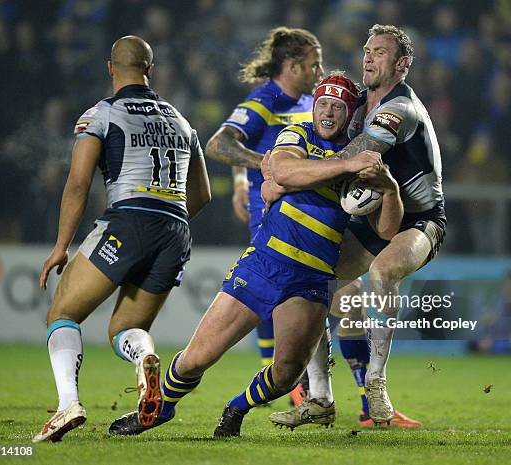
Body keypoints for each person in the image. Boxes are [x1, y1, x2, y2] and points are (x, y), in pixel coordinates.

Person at [108, 74, 390, 438]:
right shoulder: (299, 134)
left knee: (287, 374)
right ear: (314, 104)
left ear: (349, 112)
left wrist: (391, 188)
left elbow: (385, 229)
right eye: (323, 102)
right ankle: (158, 409)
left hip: (314, 277)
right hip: (265, 264)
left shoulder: (361, 156)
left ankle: (236, 408)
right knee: (198, 357)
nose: (328, 111)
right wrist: (341, 168)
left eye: (338, 106)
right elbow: (284, 169)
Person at [32, 35, 211, 443]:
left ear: (110, 68)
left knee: (61, 313)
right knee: (125, 329)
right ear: (151, 69)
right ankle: (146, 358)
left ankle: (68, 405)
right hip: (176, 228)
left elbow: (78, 184)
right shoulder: (182, 121)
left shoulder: (101, 114)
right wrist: (166, 225)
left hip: (128, 220)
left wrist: (61, 245)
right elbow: (202, 195)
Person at [267, 24, 445, 429]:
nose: (368, 57)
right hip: (371, 216)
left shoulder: (400, 109)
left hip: (420, 220)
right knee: (309, 279)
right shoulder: (359, 104)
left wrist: (289, 175)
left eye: (379, 52)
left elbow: (356, 155)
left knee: (383, 271)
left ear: (401, 65)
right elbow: (315, 137)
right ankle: (320, 399)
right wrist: (276, 161)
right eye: (367, 50)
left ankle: (376, 384)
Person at [205, 27, 323, 382]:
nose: (320, 72)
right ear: (291, 65)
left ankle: (298, 384)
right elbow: (219, 144)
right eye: (314, 65)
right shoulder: (266, 99)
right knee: (270, 297)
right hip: (271, 217)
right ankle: (275, 378)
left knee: (306, 300)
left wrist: (241, 177)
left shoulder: (310, 103)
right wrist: (263, 166)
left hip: (309, 218)